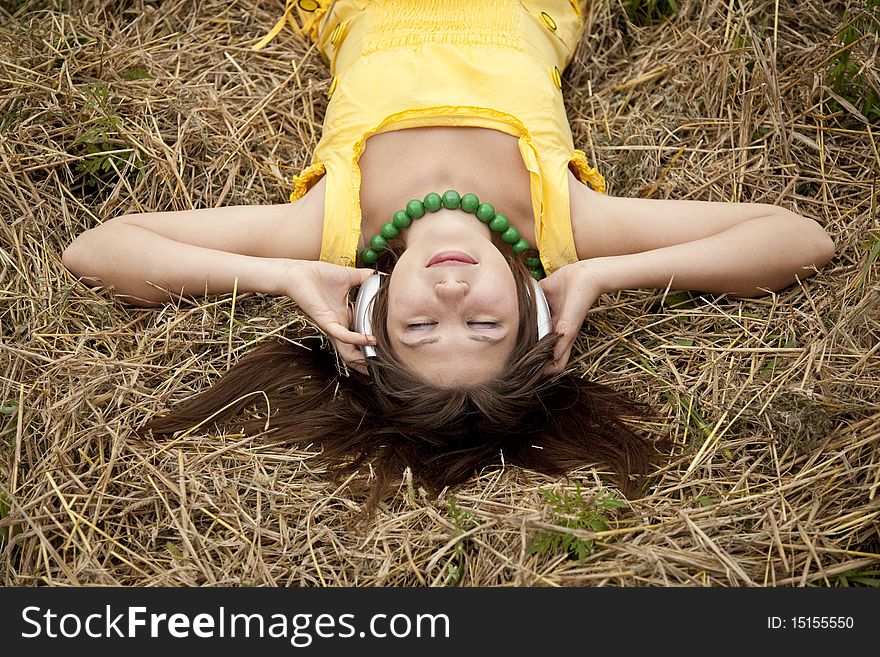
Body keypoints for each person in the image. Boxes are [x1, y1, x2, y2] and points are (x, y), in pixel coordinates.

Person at [62, 1, 834, 511]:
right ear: (535, 308)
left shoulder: (327, 230)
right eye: (487, 325)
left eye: (425, 329)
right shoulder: (564, 224)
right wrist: (601, 272)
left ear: (373, 317)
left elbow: (96, 250)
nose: (455, 297)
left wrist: (281, 274)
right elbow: (801, 238)